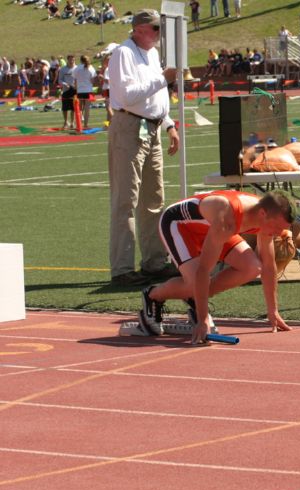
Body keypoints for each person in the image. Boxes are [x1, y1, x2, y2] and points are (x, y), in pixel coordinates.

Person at [138, 190, 296, 343]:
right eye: (277, 228)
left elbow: (268, 265)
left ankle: (196, 299)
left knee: (253, 267)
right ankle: (153, 295)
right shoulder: (227, 218)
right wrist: (203, 320)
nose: (279, 233)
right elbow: (204, 270)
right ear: (263, 214)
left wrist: (273, 311)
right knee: (195, 283)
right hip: (179, 225)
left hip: (210, 228)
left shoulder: (264, 216)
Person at [106, 9, 180, 286]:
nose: (159, 34)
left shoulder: (149, 54)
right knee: (126, 199)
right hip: (129, 127)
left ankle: (154, 262)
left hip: (152, 126)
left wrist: (169, 123)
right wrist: (164, 77)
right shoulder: (123, 53)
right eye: (155, 28)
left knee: (154, 199)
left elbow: (156, 97)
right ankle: (122, 269)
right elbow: (127, 96)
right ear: (138, 29)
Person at [73, 55, 96, 128]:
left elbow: (75, 80)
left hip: (80, 90)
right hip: (88, 90)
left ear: (80, 60)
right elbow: (92, 81)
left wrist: (76, 90)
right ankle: (85, 125)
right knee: (87, 109)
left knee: (79, 109)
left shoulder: (77, 68)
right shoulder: (91, 68)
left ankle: (78, 125)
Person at [58, 55, 76, 130]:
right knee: (65, 108)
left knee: (73, 108)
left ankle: (72, 123)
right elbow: (60, 80)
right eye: (70, 60)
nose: (72, 61)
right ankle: (65, 122)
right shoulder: (63, 69)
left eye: (73, 60)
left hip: (75, 90)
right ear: (67, 60)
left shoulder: (77, 68)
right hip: (66, 90)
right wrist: (65, 84)